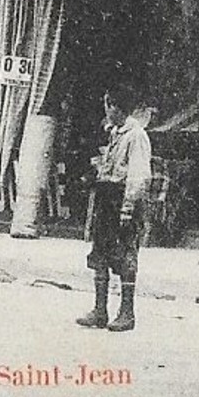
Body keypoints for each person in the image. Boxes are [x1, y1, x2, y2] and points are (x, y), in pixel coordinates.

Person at [77, 86, 153, 333]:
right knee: (100, 252)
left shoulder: (136, 135)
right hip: (107, 198)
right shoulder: (115, 133)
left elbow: (138, 175)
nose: (106, 110)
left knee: (125, 255)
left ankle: (127, 313)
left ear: (116, 107)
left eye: (107, 105)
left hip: (123, 200)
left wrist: (128, 208)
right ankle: (100, 310)